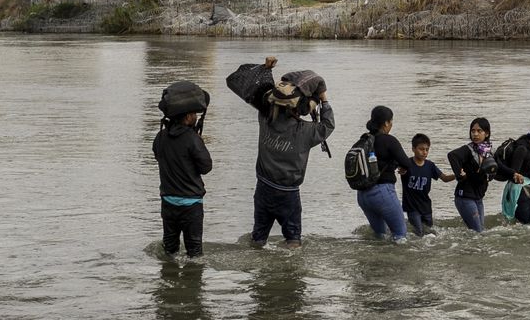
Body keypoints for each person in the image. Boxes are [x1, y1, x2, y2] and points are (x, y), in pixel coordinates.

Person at [226, 55, 333, 247]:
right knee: (293, 240)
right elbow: (328, 125)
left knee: (258, 238)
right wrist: (324, 100)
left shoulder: (265, 120)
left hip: (263, 188)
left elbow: (255, 93)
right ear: (301, 110)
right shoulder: (306, 131)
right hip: (288, 193)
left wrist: (266, 69)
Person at [152, 102, 212, 259]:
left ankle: (167, 277)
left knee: (169, 249)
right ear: (187, 117)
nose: (196, 117)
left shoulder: (160, 136)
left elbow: (159, 156)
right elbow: (206, 167)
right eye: (194, 114)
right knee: (195, 253)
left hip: (167, 203)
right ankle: (192, 281)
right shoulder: (193, 139)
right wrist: (200, 143)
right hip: (191, 205)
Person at [351, 105, 413, 241]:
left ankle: (377, 262)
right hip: (382, 193)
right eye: (391, 122)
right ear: (386, 123)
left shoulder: (363, 140)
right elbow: (407, 163)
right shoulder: (389, 140)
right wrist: (401, 166)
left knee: (380, 236)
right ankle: (400, 262)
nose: (391, 125)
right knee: (400, 234)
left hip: (362, 196)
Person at [445, 117, 496, 232]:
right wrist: (460, 175)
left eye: (479, 131)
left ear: (487, 133)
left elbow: (497, 168)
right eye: (473, 131)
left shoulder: (489, 151)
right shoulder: (468, 150)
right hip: (465, 197)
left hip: (478, 197)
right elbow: (452, 155)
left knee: (480, 232)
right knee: (478, 232)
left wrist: (513, 174)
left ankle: (468, 250)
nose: (475, 134)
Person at [402, 132, 455, 236]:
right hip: (412, 207)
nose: (424, 152)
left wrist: (457, 175)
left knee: (430, 234)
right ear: (413, 149)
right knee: (419, 232)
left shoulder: (430, 166)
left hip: (426, 207)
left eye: (427, 149)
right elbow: (398, 167)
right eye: (421, 149)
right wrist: (401, 169)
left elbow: (444, 178)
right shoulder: (407, 164)